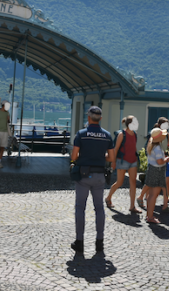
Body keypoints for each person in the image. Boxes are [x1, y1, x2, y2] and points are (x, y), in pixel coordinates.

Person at [70, 106, 114, 254]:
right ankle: (99, 243)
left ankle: (79, 242)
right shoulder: (107, 136)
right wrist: (101, 157)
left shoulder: (81, 134)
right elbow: (111, 158)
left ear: (88, 118)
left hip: (83, 175)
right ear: (100, 119)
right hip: (100, 175)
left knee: (80, 208)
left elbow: (74, 156)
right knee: (99, 208)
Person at [137, 117, 169, 213]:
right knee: (150, 184)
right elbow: (149, 149)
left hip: (163, 161)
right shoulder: (154, 136)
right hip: (157, 162)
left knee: (165, 184)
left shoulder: (165, 135)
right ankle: (144, 199)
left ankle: (164, 204)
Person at [104, 115, 140, 214]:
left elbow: (133, 147)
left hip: (133, 161)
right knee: (119, 182)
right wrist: (113, 162)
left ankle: (132, 206)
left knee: (133, 183)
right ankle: (108, 197)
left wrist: (137, 157)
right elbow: (115, 149)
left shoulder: (135, 134)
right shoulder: (122, 134)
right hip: (122, 160)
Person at [144, 127, 169, 224]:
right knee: (153, 196)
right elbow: (160, 162)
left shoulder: (151, 144)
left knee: (151, 195)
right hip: (157, 171)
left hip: (152, 169)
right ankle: (150, 217)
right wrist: (166, 159)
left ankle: (148, 214)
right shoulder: (158, 148)